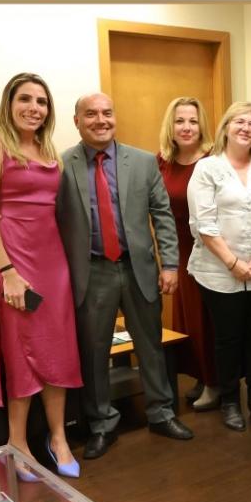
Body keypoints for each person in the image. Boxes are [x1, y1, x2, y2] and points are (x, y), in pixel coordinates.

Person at [56, 92, 192, 461]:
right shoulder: (61, 165)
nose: (100, 120)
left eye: (107, 113)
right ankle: (102, 424)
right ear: (77, 120)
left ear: (115, 117)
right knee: (95, 350)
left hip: (138, 267)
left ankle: (162, 413)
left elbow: (162, 214)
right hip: (92, 270)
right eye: (91, 114)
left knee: (150, 345)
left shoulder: (144, 162)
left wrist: (169, 265)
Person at [0, 72, 82, 479]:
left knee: (59, 346)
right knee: (21, 349)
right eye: (25, 99)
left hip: (52, 260)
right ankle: (17, 443)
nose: (34, 108)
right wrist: (8, 272)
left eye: (42, 101)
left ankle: (58, 437)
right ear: (9, 103)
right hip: (11, 258)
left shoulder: (50, 151)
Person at [187, 102, 251, 432]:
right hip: (218, 271)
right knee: (227, 337)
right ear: (226, 127)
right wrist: (233, 263)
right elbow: (204, 224)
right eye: (239, 122)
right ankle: (230, 400)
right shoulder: (207, 169)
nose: (246, 128)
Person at [156, 97, 219, 412]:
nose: (186, 127)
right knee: (188, 320)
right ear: (171, 125)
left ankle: (215, 382)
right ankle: (200, 375)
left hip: (209, 249)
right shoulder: (162, 161)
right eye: (180, 121)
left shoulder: (213, 159)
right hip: (178, 250)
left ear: (201, 125)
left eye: (193, 121)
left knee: (207, 319)